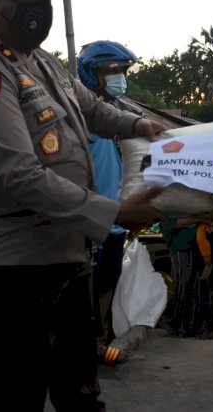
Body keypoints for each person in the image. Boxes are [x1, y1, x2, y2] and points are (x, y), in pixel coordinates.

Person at [0, 0, 165, 411]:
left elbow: (94, 109)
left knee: (80, 390)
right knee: (19, 392)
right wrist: (116, 212)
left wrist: (140, 123)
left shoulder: (44, 63)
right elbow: (21, 176)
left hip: (61, 256)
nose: (39, 10)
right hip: (13, 267)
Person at [77, 40, 140, 351]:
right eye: (111, 70)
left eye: (122, 70)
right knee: (87, 287)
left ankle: (102, 337)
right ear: (91, 74)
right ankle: (89, 344)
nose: (119, 76)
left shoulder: (118, 112)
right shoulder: (78, 114)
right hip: (90, 220)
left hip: (115, 220)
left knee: (108, 284)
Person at [162, 217, 212, 338]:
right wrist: (200, 218)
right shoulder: (172, 207)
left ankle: (198, 326)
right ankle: (180, 326)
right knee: (182, 286)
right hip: (181, 246)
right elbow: (171, 223)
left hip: (199, 247)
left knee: (199, 286)